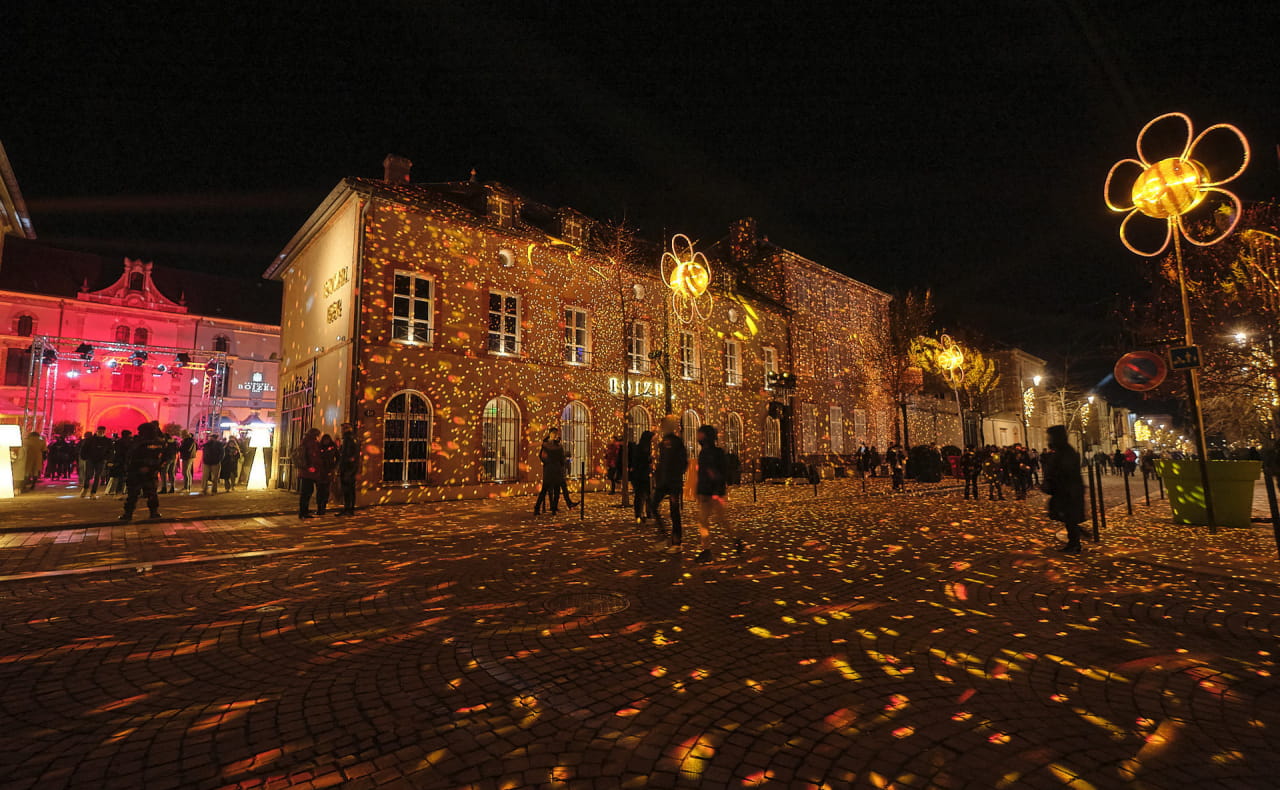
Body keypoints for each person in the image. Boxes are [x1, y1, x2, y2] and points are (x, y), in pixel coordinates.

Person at [694, 425, 737, 563]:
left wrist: (717, 491)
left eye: (700, 434)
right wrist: (699, 490)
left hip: (714, 493)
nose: (698, 437)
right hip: (705, 493)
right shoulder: (703, 452)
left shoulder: (716, 453)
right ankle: (706, 550)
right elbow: (701, 473)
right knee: (703, 521)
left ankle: (736, 540)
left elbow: (721, 473)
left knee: (721, 519)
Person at [1043, 425, 1086, 554]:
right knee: (1065, 516)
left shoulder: (1066, 452)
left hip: (1068, 491)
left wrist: (1053, 479)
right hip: (1065, 490)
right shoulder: (1062, 451)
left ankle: (1075, 542)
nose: (1048, 439)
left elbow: (1065, 472)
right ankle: (1074, 540)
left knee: (1068, 516)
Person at [651, 415, 688, 551]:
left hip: (673, 482)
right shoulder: (662, 443)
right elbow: (663, 462)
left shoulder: (677, 442)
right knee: (652, 506)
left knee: (674, 512)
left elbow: (683, 462)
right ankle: (664, 536)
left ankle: (676, 541)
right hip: (663, 482)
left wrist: (676, 476)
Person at [120, 422, 165, 522]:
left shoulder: (139, 442)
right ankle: (153, 513)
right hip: (150, 472)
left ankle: (128, 514)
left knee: (133, 494)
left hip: (137, 471)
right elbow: (162, 458)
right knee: (151, 493)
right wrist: (155, 467)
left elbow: (131, 456)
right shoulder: (158, 442)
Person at [535, 429, 567, 515]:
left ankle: (554, 508)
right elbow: (542, 456)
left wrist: (561, 464)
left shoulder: (558, 445)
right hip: (549, 469)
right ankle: (537, 508)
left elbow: (562, 457)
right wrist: (548, 462)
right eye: (553, 433)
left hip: (556, 469)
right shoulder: (546, 445)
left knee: (556, 490)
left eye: (556, 434)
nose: (554, 435)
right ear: (549, 434)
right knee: (545, 490)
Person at [297, 428, 325, 518]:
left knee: (306, 492)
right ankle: (303, 512)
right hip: (309, 471)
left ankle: (304, 511)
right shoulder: (311, 443)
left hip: (306, 471)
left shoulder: (305, 441)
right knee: (307, 492)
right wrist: (313, 466)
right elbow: (313, 456)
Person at [629, 430, 654, 523]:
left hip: (641, 474)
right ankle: (641, 514)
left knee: (644, 495)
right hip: (642, 475)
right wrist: (649, 460)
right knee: (642, 495)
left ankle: (643, 513)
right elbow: (642, 461)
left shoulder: (642, 447)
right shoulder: (643, 449)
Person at [80, 426, 110, 499]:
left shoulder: (107, 441)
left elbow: (110, 450)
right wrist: (84, 457)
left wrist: (107, 458)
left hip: (101, 460)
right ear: (97, 431)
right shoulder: (90, 440)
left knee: (97, 476)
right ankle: (85, 488)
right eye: (100, 431)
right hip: (90, 459)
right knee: (88, 475)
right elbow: (84, 448)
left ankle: (93, 492)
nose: (101, 432)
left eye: (103, 431)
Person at [336, 423, 359, 516]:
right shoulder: (352, 439)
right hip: (350, 469)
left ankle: (348, 509)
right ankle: (349, 509)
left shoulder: (348, 439)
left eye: (343, 429)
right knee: (349, 490)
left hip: (348, 469)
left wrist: (346, 469)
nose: (341, 431)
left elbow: (348, 455)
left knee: (347, 490)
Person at [316, 433, 337, 515]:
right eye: (325, 440)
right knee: (319, 490)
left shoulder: (332, 448)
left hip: (328, 471)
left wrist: (333, 466)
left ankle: (323, 506)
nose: (326, 441)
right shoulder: (319, 447)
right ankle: (319, 507)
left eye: (327, 440)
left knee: (326, 490)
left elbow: (338, 457)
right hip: (320, 471)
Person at [107, 431, 132, 495]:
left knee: (119, 477)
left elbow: (115, 452)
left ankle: (116, 491)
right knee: (123, 477)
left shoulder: (118, 442)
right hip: (125, 461)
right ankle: (122, 491)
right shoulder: (129, 442)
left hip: (120, 461)